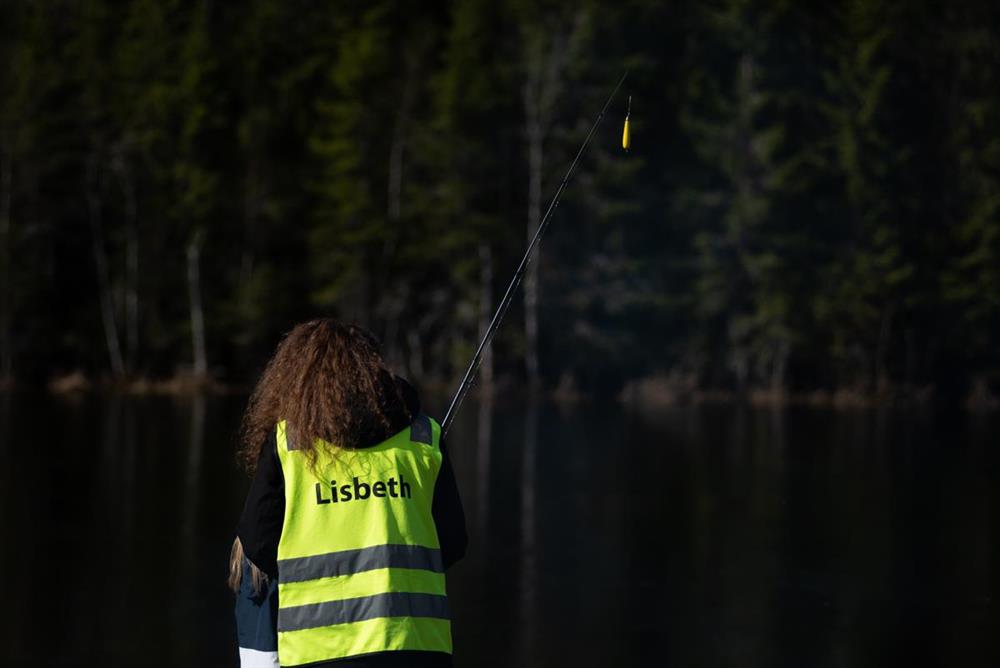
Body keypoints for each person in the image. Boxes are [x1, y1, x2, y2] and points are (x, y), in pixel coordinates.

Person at [229, 319, 467, 668]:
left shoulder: (289, 444)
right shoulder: (422, 436)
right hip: (417, 647)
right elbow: (452, 543)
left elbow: (258, 545)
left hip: (321, 650)